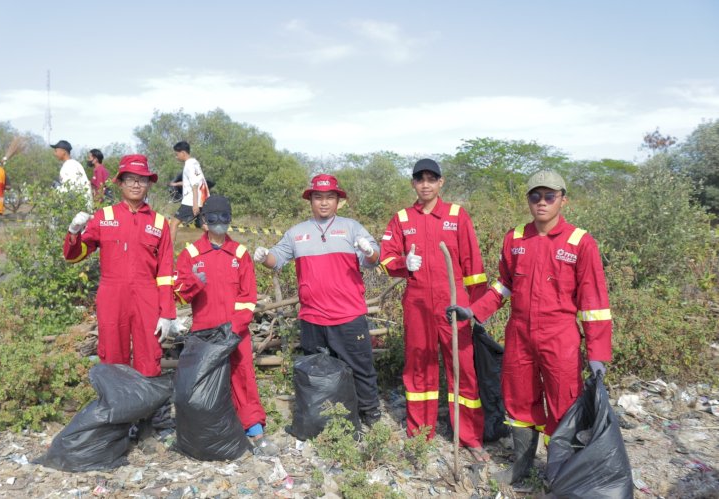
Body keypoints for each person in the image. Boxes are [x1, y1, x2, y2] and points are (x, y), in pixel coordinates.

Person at [447, 170, 612, 484]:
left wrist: (597, 354)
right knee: (519, 400)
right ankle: (522, 467)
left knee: (563, 404)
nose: (542, 203)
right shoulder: (516, 238)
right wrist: (473, 311)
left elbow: (594, 303)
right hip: (520, 334)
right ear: (528, 199)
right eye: (535, 196)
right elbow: (503, 286)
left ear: (563, 199)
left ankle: (560, 473)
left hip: (560, 336)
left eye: (550, 196)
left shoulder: (580, 242)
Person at [379, 158, 489, 461]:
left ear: (441, 183)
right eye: (420, 179)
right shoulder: (401, 218)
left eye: (432, 178)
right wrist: (404, 264)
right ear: (413, 183)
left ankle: (469, 437)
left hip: (453, 306)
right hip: (417, 306)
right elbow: (386, 258)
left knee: (462, 369)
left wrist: (477, 311)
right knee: (418, 369)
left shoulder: (456, 215)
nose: (425, 184)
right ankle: (420, 434)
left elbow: (474, 269)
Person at [254, 174, 382, 426]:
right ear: (310, 200)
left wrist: (369, 252)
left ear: (338, 201)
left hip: (348, 316)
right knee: (318, 372)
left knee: (360, 368)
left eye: (329, 197)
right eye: (318, 197)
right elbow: (276, 259)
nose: (324, 203)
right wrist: (264, 256)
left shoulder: (352, 227)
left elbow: (373, 259)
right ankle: (327, 419)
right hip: (312, 317)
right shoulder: (296, 233)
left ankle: (370, 414)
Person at [173, 195, 278, 455]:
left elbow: (248, 296)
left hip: (235, 332)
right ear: (204, 223)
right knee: (202, 382)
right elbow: (179, 294)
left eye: (224, 218)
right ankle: (206, 432)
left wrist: (235, 327)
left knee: (243, 377)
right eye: (213, 218)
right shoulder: (190, 254)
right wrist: (193, 282)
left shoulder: (240, 254)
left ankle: (254, 430)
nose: (219, 223)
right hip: (204, 334)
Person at [63, 154, 175, 377]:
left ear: (148, 185)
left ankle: (146, 406)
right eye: (131, 179)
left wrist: (167, 313)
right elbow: (74, 256)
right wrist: (74, 232)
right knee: (112, 353)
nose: (136, 184)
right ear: (121, 183)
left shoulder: (159, 223)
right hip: (112, 294)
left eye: (142, 179)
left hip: (147, 296)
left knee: (150, 353)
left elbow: (165, 272)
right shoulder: (104, 217)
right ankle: (116, 405)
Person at [169, 141, 209, 243]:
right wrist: (176, 184)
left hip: (191, 201)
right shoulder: (195, 163)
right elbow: (192, 182)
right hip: (203, 199)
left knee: (173, 224)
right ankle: (218, 247)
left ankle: (168, 253)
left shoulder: (188, 165)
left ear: (183, 153)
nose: (176, 157)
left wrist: (195, 204)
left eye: (177, 154)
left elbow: (195, 185)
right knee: (205, 226)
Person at [51, 139, 93, 208]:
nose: (55, 154)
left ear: (63, 152)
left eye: (56, 151)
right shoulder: (75, 164)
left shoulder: (69, 166)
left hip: (77, 209)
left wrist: (57, 188)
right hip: (83, 206)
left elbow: (69, 190)